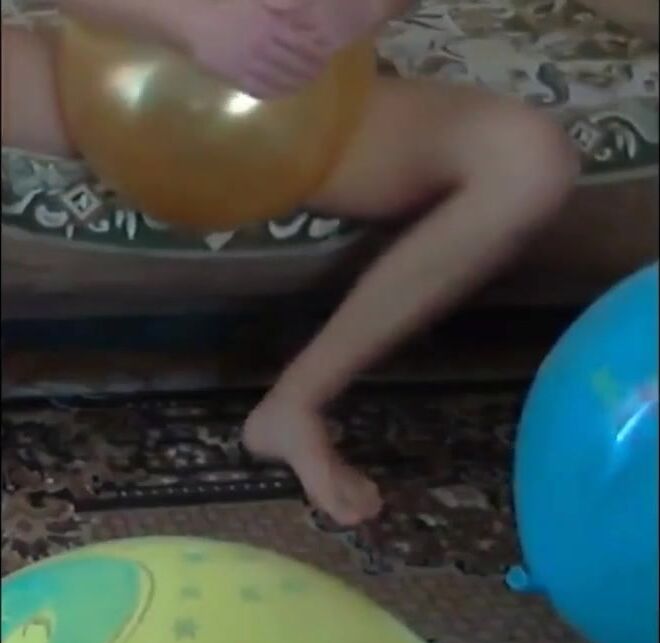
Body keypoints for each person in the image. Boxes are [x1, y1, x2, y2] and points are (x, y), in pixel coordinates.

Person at [2, 0, 579, 525]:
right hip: (97, 79)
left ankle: (293, 408)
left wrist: (362, 11)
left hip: (302, 104)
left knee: (529, 160)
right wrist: (196, 22)